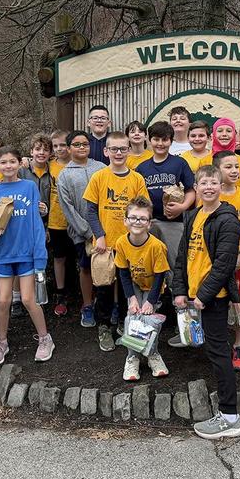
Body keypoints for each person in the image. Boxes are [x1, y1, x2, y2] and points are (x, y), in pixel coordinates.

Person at [173, 165, 240, 440]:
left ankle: (230, 416)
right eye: (203, 183)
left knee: (218, 352)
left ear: (220, 184)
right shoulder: (192, 216)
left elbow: (224, 264)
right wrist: (180, 290)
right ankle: (227, 413)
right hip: (193, 295)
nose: (209, 187)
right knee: (210, 350)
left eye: (214, 182)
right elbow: (183, 256)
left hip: (214, 298)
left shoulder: (228, 219)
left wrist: (203, 296)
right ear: (196, 187)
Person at [0, 146, 54, 365]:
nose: (8, 166)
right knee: (3, 300)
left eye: (12, 161)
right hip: (4, 254)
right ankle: (1, 341)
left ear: (19, 163)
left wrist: (39, 257)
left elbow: (35, 223)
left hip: (26, 254)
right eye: (3, 162)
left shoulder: (29, 187)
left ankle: (45, 338)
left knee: (27, 298)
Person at [84, 132, 149, 351]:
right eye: (114, 149)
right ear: (106, 151)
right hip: (104, 243)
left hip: (129, 244)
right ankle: (103, 327)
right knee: (103, 287)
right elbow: (90, 210)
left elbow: (142, 209)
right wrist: (99, 235)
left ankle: (123, 322)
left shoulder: (136, 179)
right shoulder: (99, 177)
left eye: (123, 148)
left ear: (129, 150)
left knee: (125, 287)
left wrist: (137, 235)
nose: (119, 153)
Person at [194, 151, 240, 372]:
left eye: (237, 167)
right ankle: (215, 344)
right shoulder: (209, 196)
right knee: (215, 303)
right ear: (217, 172)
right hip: (214, 264)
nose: (234, 171)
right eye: (228, 167)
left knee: (239, 303)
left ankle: (239, 345)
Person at [115, 196, 170, 381]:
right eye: (133, 217)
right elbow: (123, 273)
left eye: (142, 219)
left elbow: (160, 275)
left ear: (149, 223)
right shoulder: (121, 243)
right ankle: (132, 358)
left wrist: (150, 301)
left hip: (153, 285)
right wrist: (131, 298)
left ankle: (153, 355)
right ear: (125, 221)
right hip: (134, 283)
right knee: (132, 316)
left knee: (147, 319)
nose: (137, 221)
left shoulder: (156, 246)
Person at [136, 121, 195, 281]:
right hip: (149, 222)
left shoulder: (179, 163)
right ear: (149, 140)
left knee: (176, 262)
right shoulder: (142, 168)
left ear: (171, 141)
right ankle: (154, 300)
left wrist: (182, 207)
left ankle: (178, 299)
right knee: (149, 262)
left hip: (174, 222)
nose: (160, 144)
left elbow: (191, 190)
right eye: (156, 139)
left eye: (165, 139)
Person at [57, 130, 106, 328]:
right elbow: (67, 207)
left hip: (105, 230)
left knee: (106, 267)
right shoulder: (65, 175)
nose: (81, 147)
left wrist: (101, 230)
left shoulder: (101, 168)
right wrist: (87, 231)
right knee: (85, 267)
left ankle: (106, 304)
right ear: (68, 149)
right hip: (81, 232)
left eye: (85, 144)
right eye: (76, 144)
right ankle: (87, 305)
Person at [15, 133, 53, 315]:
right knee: (19, 258)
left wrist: (46, 227)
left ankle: (37, 295)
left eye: (46, 150)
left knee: (38, 260)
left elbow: (52, 203)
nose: (41, 153)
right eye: (38, 149)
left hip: (41, 224)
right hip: (21, 223)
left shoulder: (52, 172)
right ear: (31, 152)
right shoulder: (21, 170)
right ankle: (16, 297)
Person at [46, 130, 74, 316]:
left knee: (80, 259)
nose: (59, 149)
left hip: (76, 221)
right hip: (55, 220)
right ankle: (60, 292)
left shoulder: (76, 164)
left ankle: (82, 293)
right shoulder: (49, 166)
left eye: (63, 145)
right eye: (55, 146)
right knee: (59, 257)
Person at [211, 117, 240, 188]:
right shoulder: (204, 161)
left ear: (234, 134)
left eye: (229, 131)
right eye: (220, 131)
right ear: (213, 134)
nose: (224, 134)